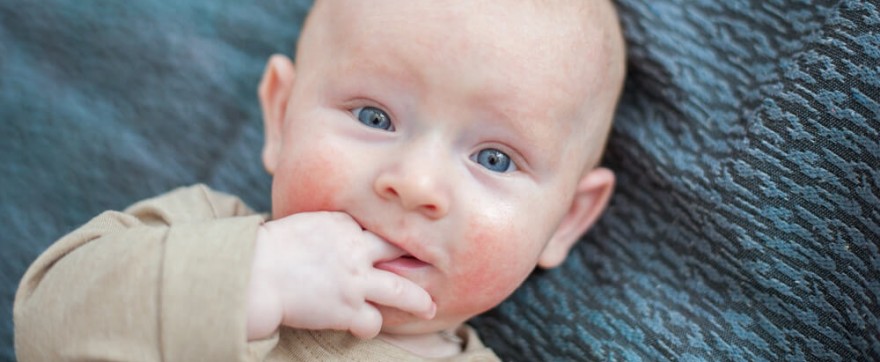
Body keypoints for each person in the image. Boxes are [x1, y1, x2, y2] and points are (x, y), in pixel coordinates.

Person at [14, 0, 626, 360]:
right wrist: (249, 277)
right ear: (282, 117)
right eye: (374, 117)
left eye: (494, 159)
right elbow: (46, 322)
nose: (414, 184)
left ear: (566, 218)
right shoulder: (194, 232)